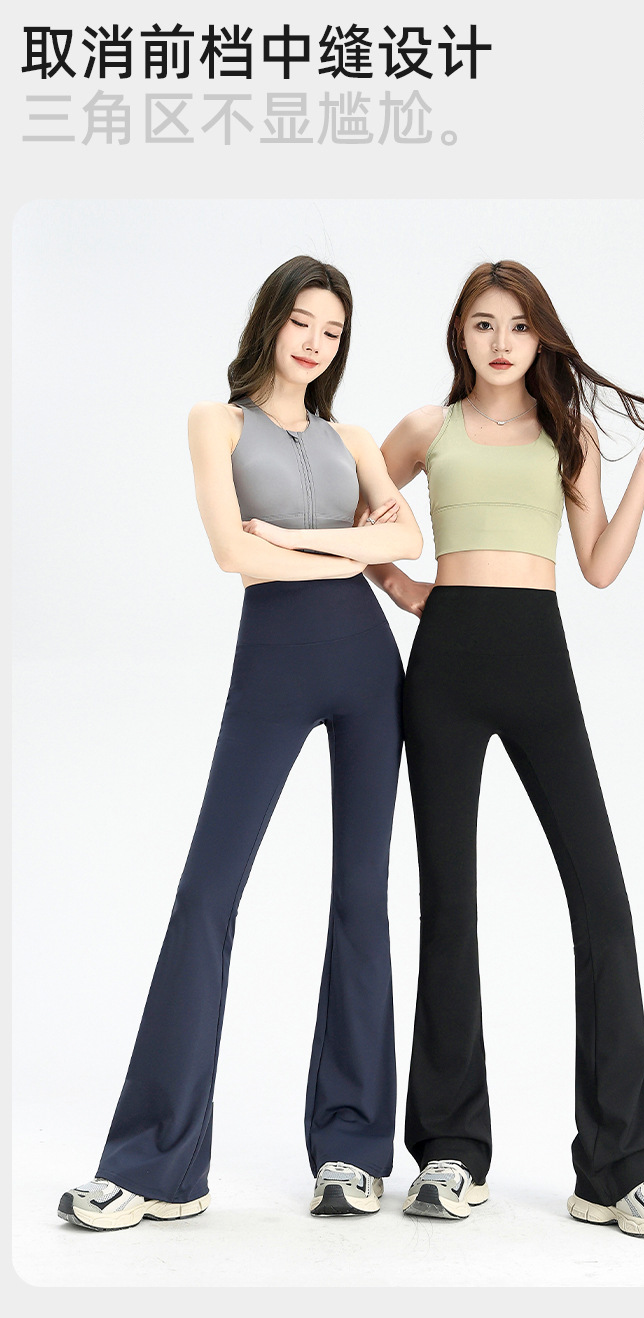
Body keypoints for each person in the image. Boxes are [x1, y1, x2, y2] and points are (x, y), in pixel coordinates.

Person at [58, 255, 422, 1230]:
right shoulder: (215, 423)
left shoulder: (352, 436)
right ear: (270, 320)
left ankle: (351, 1153)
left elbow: (406, 543)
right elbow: (232, 552)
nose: (315, 343)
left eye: (333, 331)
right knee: (207, 894)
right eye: (303, 321)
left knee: (361, 901)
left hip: (368, 671)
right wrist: (349, 542)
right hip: (272, 669)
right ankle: (156, 1166)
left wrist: (303, 542)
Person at [363, 259, 644, 1237]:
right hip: (445, 666)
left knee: (602, 902)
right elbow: (356, 507)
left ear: (540, 335)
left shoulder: (569, 433)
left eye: (516, 324)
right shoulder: (425, 429)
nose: (500, 341)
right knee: (449, 906)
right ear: (459, 335)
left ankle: (618, 1168)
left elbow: (598, 566)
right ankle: (449, 1152)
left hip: (539, 661)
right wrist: (403, 585)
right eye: (482, 324)